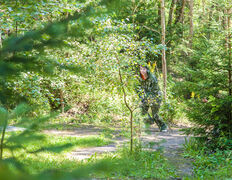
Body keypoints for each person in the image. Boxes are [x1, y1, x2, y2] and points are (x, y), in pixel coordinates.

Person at [137, 65, 167, 132]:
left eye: (144, 69)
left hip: (156, 97)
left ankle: (163, 126)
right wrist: (141, 97)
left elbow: (154, 90)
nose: (142, 71)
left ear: (147, 70)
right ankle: (148, 122)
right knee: (142, 109)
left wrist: (145, 97)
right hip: (146, 96)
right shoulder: (140, 78)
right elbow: (138, 88)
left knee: (155, 115)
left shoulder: (152, 78)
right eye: (141, 69)